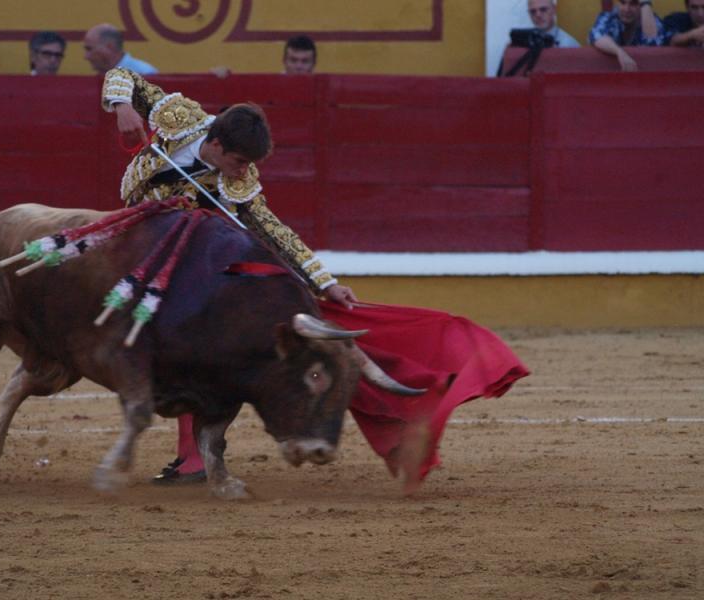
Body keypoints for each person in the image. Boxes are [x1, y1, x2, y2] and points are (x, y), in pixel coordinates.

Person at [100, 68, 529, 489]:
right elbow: (123, 74)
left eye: (246, 165)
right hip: (135, 239)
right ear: (213, 143)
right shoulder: (181, 118)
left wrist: (325, 283)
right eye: (236, 160)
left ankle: (194, 458)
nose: (240, 171)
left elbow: (275, 231)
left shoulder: (239, 181)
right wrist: (122, 106)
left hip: (189, 263)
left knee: (203, 341)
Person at [589, 0, 664, 71]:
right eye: (623, 2)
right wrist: (620, 52)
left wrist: (645, 4)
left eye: (633, 4)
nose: (626, 9)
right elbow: (597, 35)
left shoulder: (652, 21)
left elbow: (655, 42)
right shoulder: (611, 16)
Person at [84, 23, 157, 75]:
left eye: (90, 49)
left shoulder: (145, 74)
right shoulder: (100, 78)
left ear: (109, 47)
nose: (86, 57)